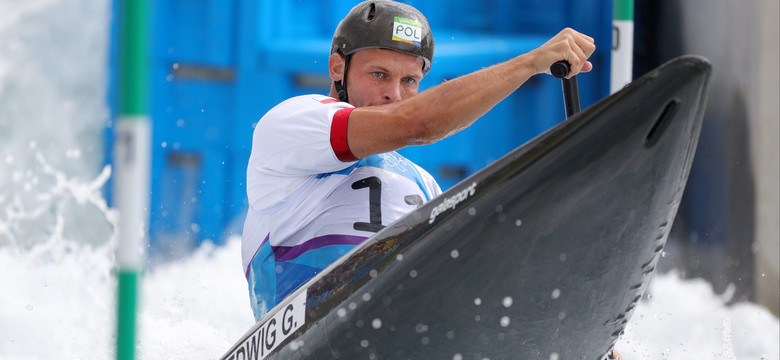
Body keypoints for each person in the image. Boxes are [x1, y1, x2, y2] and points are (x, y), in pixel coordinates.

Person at [241, 0, 596, 321]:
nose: (394, 94)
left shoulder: (423, 184)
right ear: (337, 67)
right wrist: (530, 63)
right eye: (379, 74)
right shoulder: (293, 122)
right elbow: (418, 124)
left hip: (403, 324)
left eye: (410, 80)